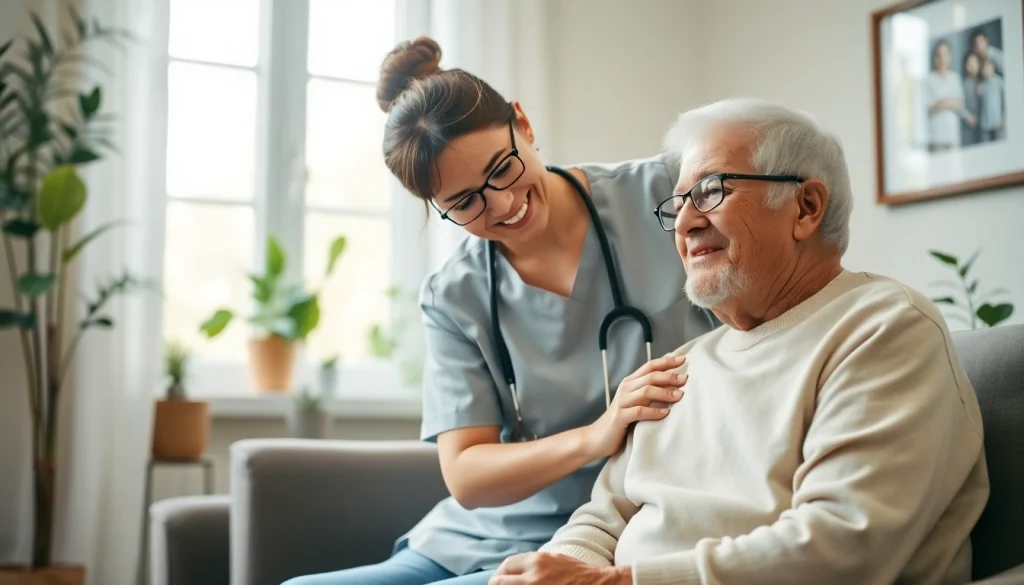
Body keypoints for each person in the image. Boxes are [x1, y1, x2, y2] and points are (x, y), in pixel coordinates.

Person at [490, 98, 990, 585]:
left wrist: (615, 581)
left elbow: (843, 548)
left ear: (806, 207)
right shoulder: (680, 366)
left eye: (710, 191)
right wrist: (558, 568)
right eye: (678, 202)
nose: (684, 222)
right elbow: (602, 518)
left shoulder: (883, 329)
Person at [281, 36, 716, 585]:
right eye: (464, 202)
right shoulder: (453, 295)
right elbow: (466, 473)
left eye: (503, 167)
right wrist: (597, 433)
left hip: (625, 522)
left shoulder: (665, 192)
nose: (503, 204)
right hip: (490, 532)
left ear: (524, 125)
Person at [923, 40, 972, 151]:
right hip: (936, 136)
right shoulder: (928, 80)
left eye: (945, 54)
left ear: (950, 56)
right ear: (934, 57)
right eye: (938, 55)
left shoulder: (955, 78)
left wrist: (942, 102)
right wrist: (950, 102)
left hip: (953, 135)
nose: (942, 59)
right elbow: (929, 107)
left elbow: (960, 104)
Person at [978, 58, 1006, 142]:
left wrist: (1004, 118)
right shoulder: (980, 85)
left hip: (998, 122)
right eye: (983, 67)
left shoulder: (999, 82)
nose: (986, 69)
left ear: (993, 68)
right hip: (985, 123)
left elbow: (1005, 101)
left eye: (988, 67)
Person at [961, 52, 982, 146]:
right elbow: (959, 104)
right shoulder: (962, 84)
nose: (972, 66)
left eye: (975, 63)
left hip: (983, 125)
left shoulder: (983, 81)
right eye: (969, 63)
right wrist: (968, 116)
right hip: (967, 125)